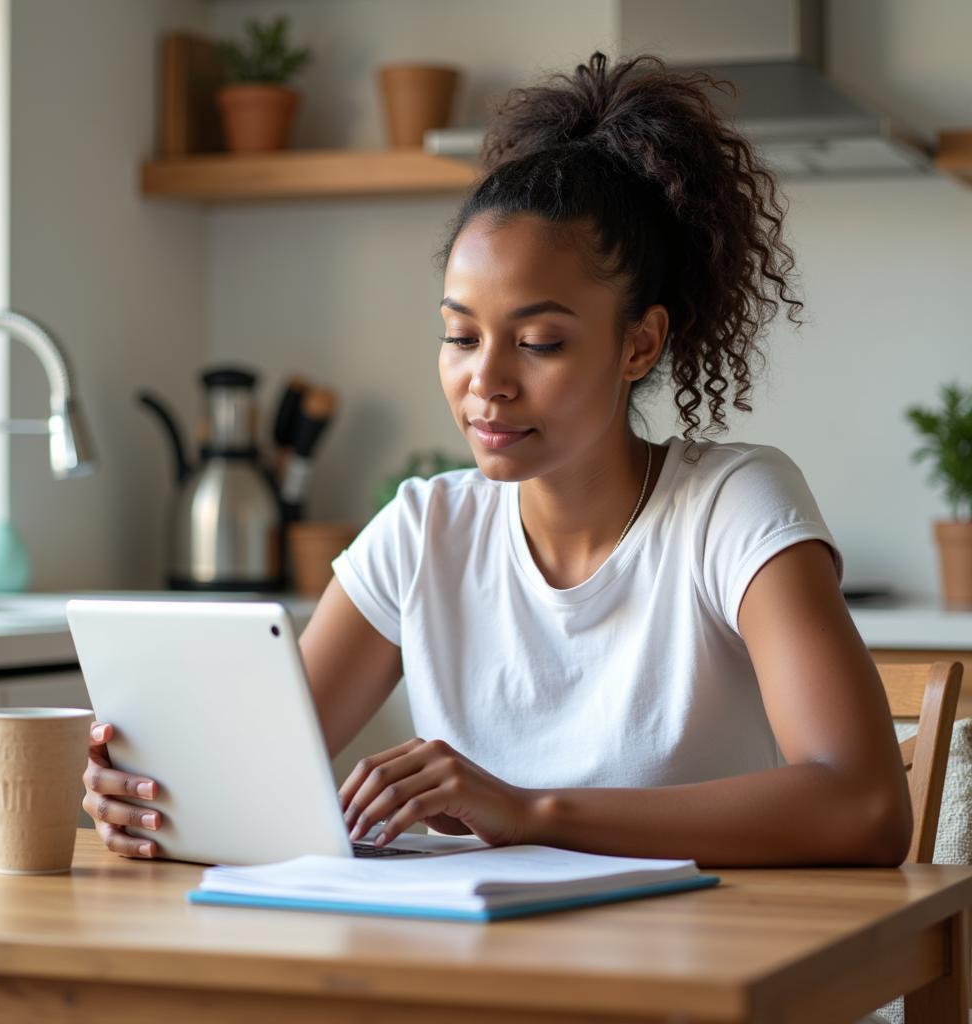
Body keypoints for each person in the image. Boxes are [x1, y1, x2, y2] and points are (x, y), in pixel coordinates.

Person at [83, 53, 911, 866]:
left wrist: (527, 811)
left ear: (640, 343)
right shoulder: (424, 531)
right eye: (460, 336)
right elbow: (253, 777)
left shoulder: (731, 507)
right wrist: (155, 801)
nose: (487, 381)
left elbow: (865, 806)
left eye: (539, 342)